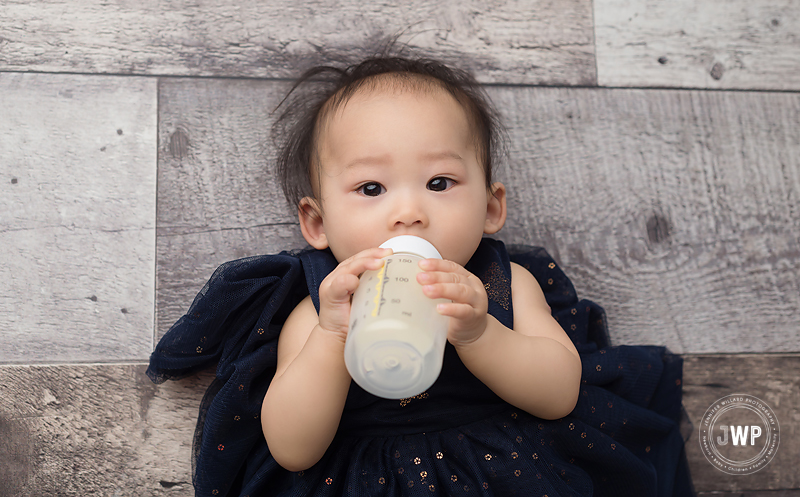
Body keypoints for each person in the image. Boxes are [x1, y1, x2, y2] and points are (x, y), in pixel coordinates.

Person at [148, 54, 695, 497]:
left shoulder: (504, 284)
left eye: (439, 182)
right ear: (317, 221)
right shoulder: (321, 305)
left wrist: (482, 334)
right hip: (365, 476)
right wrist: (333, 336)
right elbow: (293, 448)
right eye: (371, 189)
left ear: (490, 208)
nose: (408, 211)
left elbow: (559, 395)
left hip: (507, 467)